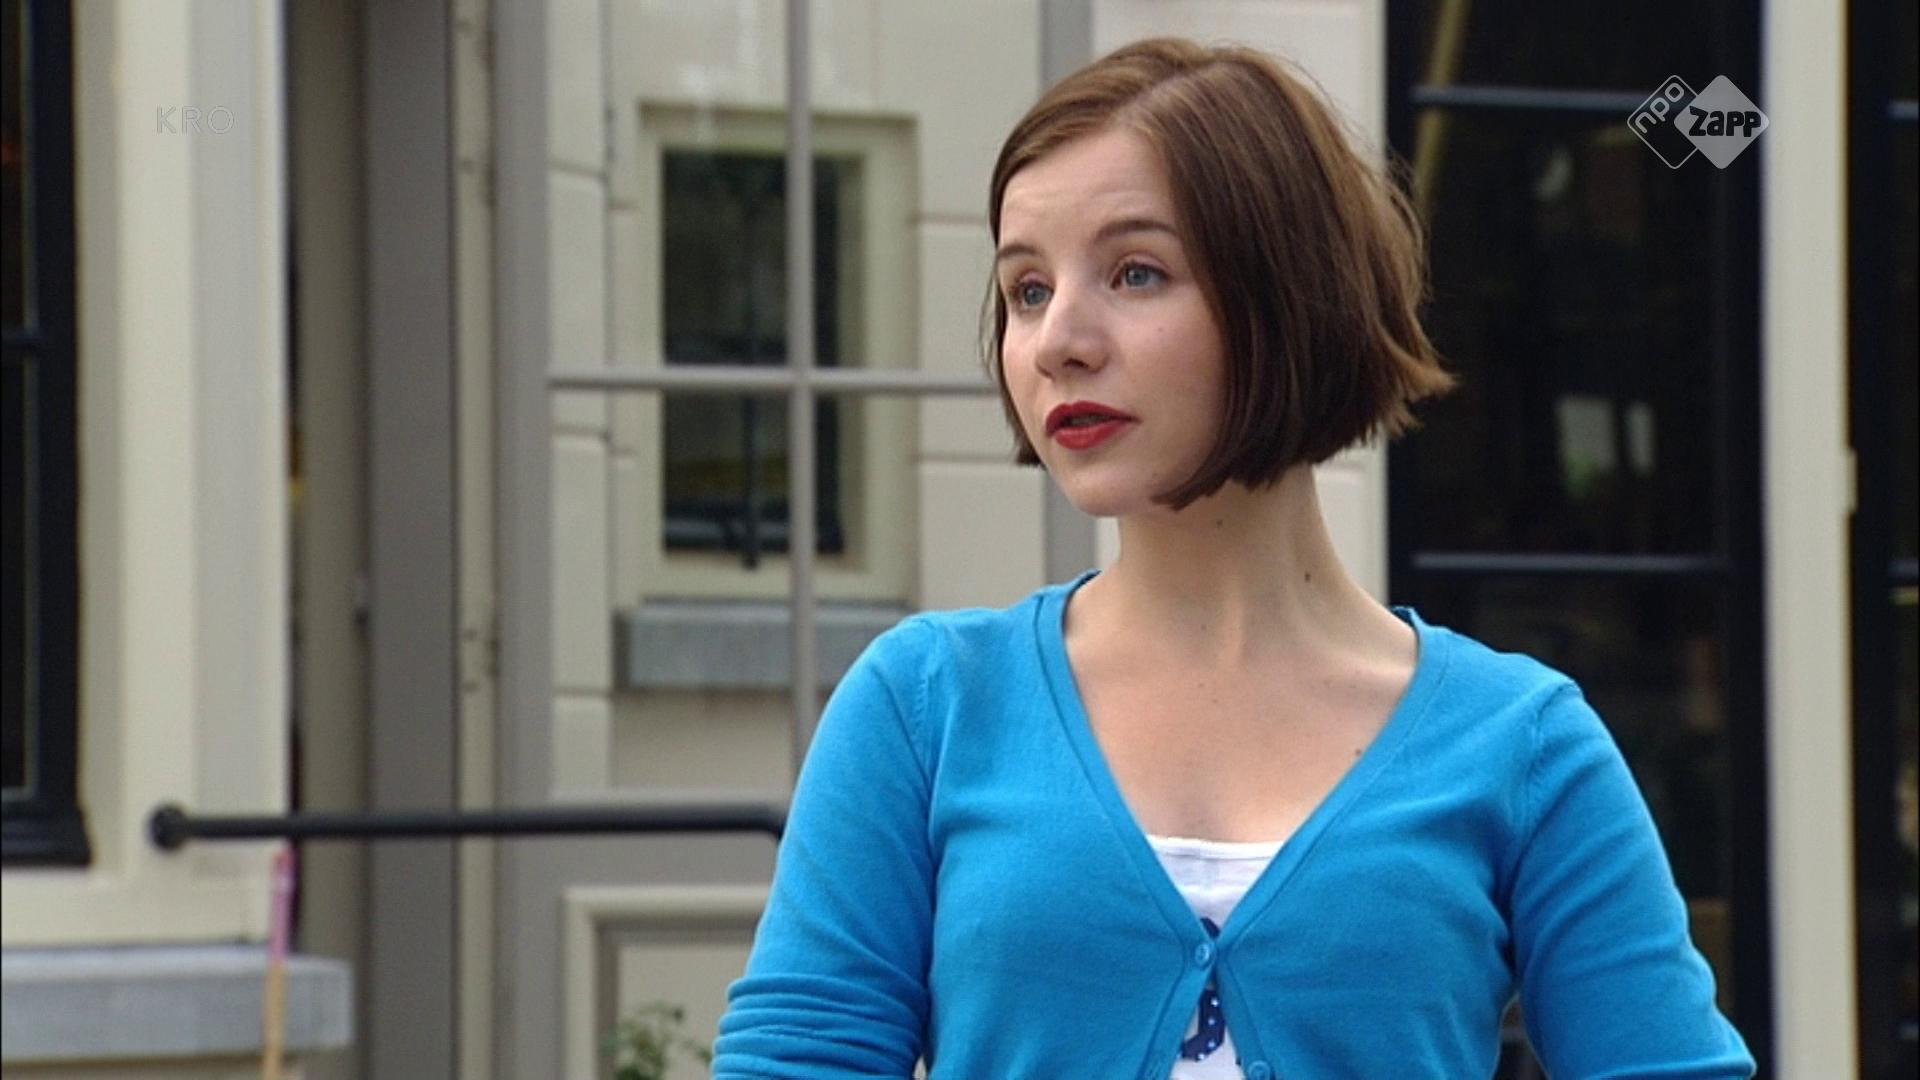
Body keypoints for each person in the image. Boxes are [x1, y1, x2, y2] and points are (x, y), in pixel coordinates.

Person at [712, 37, 1753, 1079]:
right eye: (1027, 289)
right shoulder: (925, 706)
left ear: (1290, 295)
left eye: (1136, 273)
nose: (1059, 340)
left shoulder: (1521, 746)